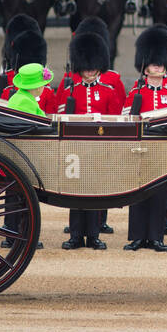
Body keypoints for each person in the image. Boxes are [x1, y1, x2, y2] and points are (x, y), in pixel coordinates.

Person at [57, 32, 122, 252]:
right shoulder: (69, 91)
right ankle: (75, 234)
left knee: (94, 194)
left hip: (97, 149)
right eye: (85, 68)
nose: (89, 72)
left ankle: (93, 235)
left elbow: (114, 122)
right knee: (75, 192)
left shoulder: (108, 92)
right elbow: (60, 120)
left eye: (92, 67)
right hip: (76, 149)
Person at [124, 26, 167, 250]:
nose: (157, 65)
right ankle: (138, 236)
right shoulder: (136, 91)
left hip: (165, 149)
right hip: (142, 149)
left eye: (160, 62)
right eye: (152, 62)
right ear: (145, 65)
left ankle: (156, 236)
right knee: (139, 192)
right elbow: (127, 119)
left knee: (160, 194)